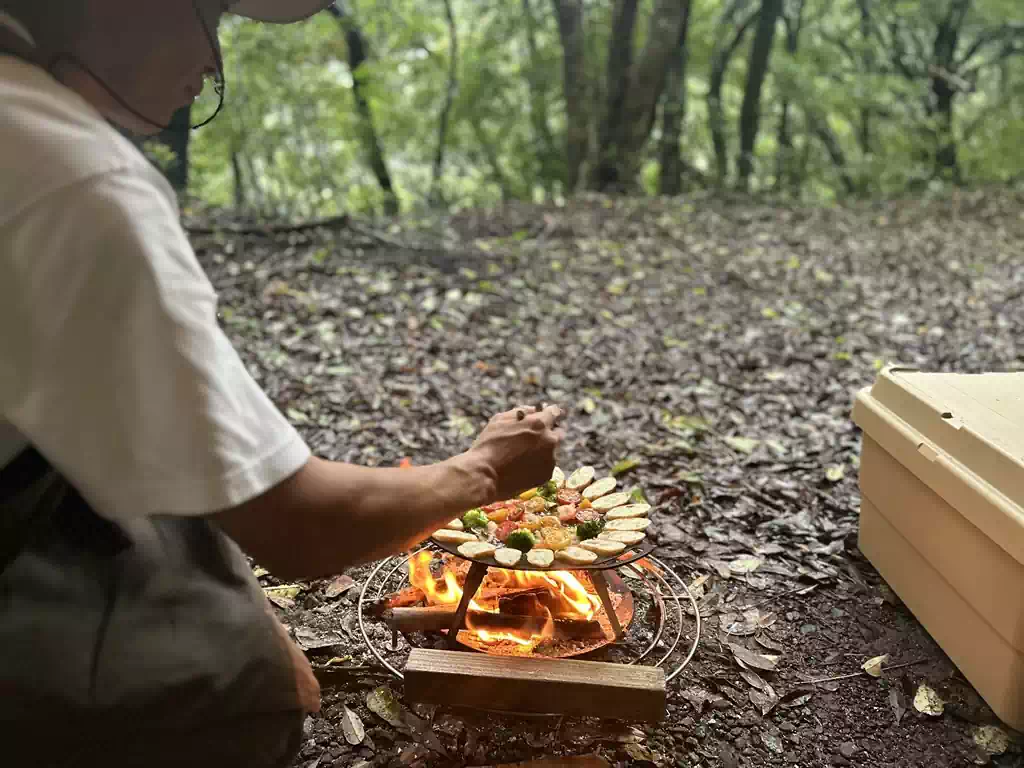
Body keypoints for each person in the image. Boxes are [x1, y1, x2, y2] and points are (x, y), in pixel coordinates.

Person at [0, 2, 563, 765]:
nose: (212, 67)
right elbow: (300, 528)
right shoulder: (77, 182)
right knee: (251, 698)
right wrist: (486, 469)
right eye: (215, 16)